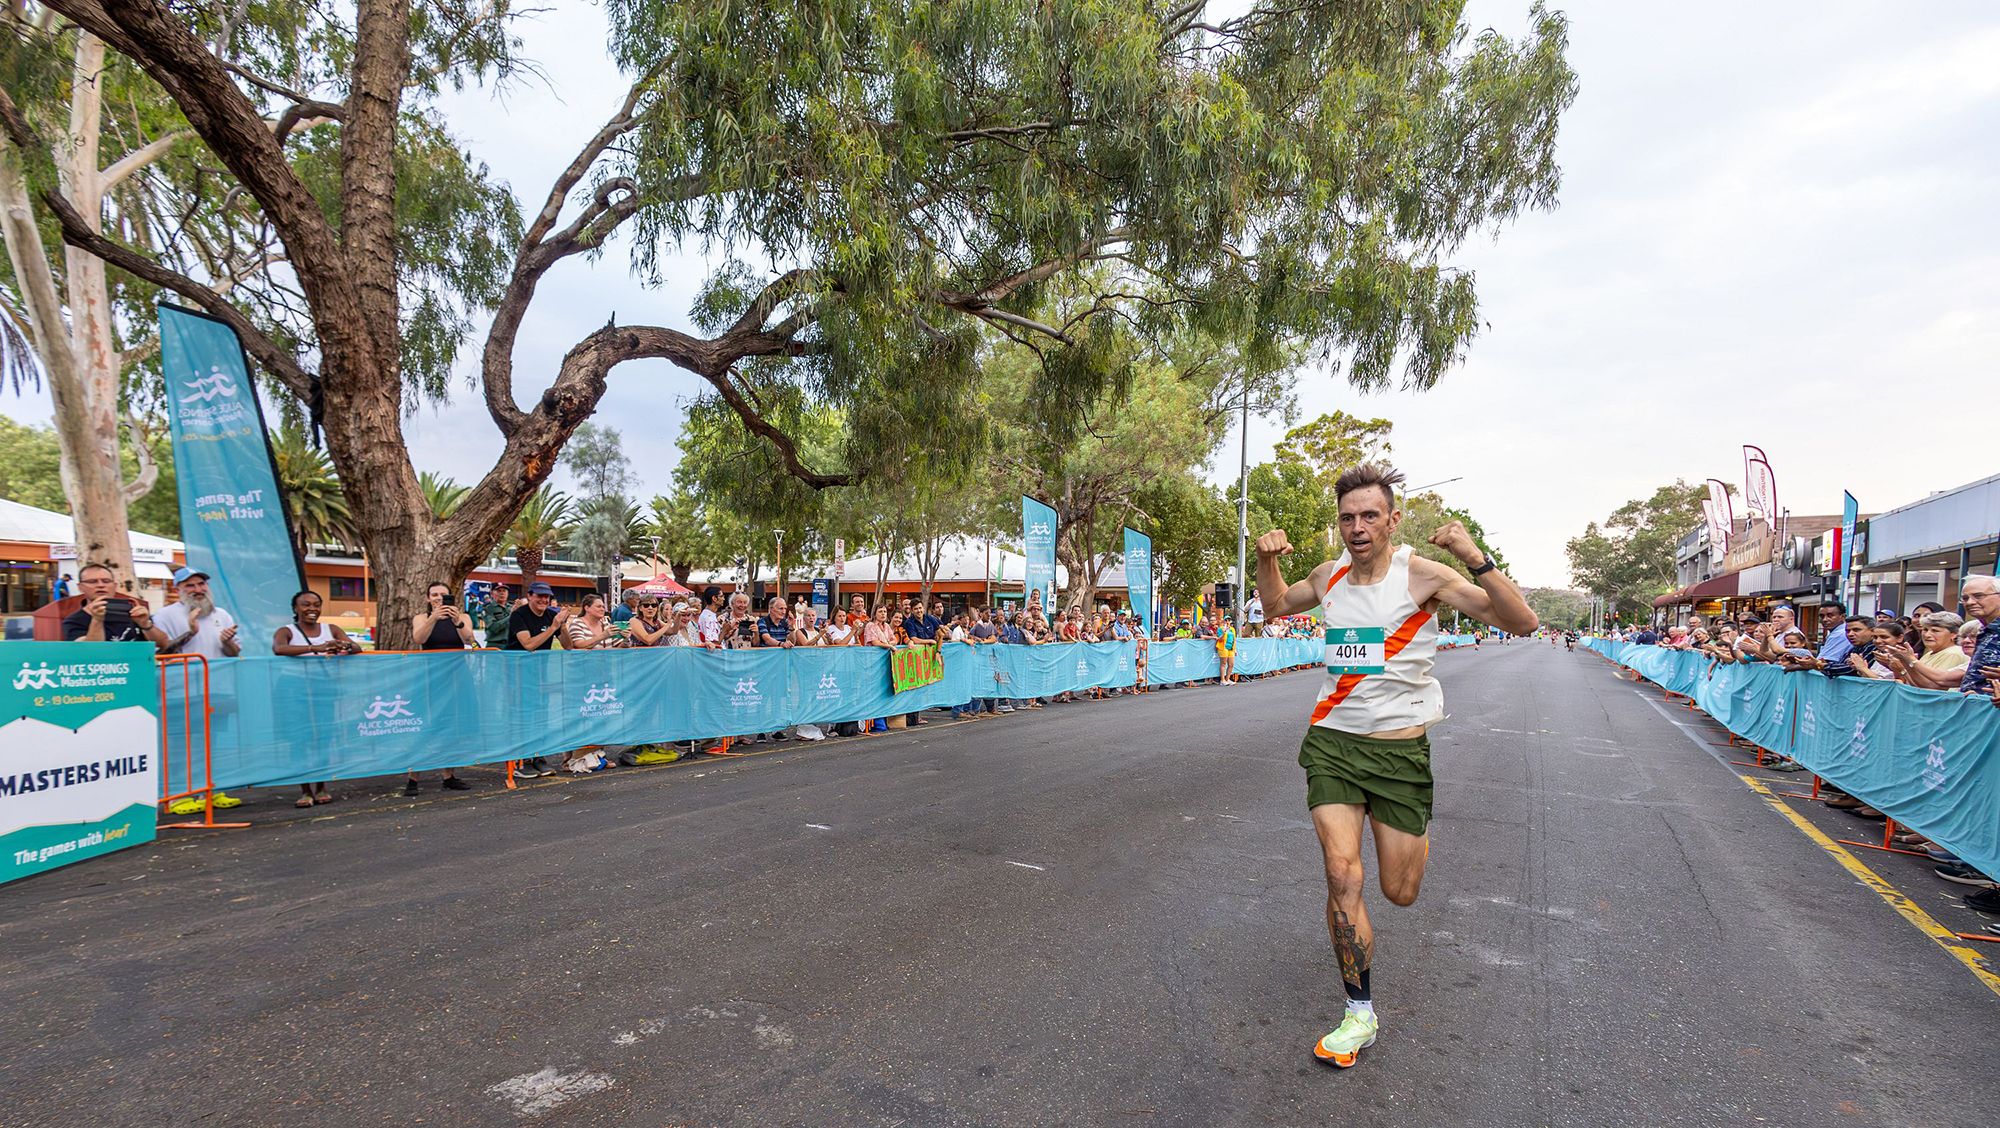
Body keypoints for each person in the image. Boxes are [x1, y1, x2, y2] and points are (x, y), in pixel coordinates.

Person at [1252, 462, 1538, 1069]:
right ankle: (1359, 1012)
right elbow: (1275, 605)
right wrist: (1267, 558)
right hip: (1332, 741)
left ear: (1392, 521)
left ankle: (1410, 836)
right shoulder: (1328, 576)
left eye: (1369, 516)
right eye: (1348, 518)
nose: (1358, 527)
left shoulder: (1423, 576)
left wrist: (1471, 553)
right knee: (1341, 875)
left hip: (1400, 751)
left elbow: (1522, 622)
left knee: (1399, 891)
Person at [273, 589, 360, 806]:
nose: (312, 609)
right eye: (306, 604)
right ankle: (305, 790)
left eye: (316, 604)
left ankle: (321, 787)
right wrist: (315, 648)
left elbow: (356, 647)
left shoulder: (330, 629)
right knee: (299, 739)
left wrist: (343, 646)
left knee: (323, 736)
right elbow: (279, 648)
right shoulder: (287, 630)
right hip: (294, 689)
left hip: (323, 689)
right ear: (295, 608)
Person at [402, 580, 476, 794]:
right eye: (434, 595)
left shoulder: (462, 617)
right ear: (427, 598)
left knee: (452, 727)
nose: (438, 598)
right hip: (430, 679)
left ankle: (449, 776)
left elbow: (470, 640)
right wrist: (434, 617)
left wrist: (457, 622)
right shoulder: (421, 618)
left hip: (456, 678)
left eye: (442, 595)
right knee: (426, 727)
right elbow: (419, 638)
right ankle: (413, 777)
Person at [503, 582, 572, 777]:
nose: (543, 600)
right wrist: (553, 628)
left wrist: (563, 625)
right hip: (517, 673)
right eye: (539, 596)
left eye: (547, 597)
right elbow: (528, 644)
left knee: (541, 713)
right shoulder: (520, 615)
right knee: (520, 715)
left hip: (540, 673)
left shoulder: (552, 615)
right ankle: (518, 760)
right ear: (530, 596)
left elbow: (568, 646)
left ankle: (538, 757)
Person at [61, 561, 169, 647]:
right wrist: (97, 620)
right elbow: (91, 651)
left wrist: (145, 624)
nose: (101, 585)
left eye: (106, 581)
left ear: (114, 585)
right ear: (80, 587)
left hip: (138, 669)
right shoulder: (74, 620)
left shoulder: (132, 610)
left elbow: (163, 644)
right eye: (93, 582)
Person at [153, 567, 242, 661]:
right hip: (183, 675)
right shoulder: (164, 615)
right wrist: (190, 634)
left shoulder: (222, 614)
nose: (198, 590)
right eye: (190, 585)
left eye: (201, 584)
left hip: (219, 675)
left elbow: (234, 654)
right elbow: (160, 655)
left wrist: (227, 642)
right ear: (177, 590)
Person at [480, 583, 518, 649]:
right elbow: (493, 627)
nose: (502, 593)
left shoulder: (512, 607)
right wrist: (512, 615)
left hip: (512, 645)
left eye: (504, 591)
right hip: (495, 645)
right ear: (492, 593)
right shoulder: (488, 609)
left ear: (508, 593)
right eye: (499, 591)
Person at [1215, 609, 1238, 685]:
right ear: (1223, 621)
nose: (1227, 621)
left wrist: (1235, 649)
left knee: (1231, 664)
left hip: (1230, 648)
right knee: (1223, 663)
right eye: (1226, 620)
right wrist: (1224, 632)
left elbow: (1234, 639)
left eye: (1229, 620)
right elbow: (1219, 638)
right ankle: (1222, 680)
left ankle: (1227, 679)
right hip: (1223, 647)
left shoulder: (1232, 629)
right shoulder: (1220, 628)